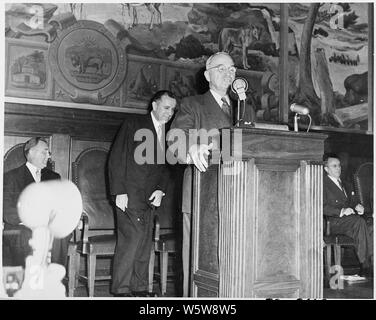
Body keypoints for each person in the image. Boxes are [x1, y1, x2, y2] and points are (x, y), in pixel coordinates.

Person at [167, 52, 236, 296]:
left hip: (238, 197)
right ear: (207, 75)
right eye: (221, 68)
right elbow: (174, 143)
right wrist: (191, 148)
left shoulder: (243, 108)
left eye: (232, 69)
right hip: (201, 196)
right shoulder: (192, 104)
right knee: (197, 265)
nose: (228, 73)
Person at [108, 90, 177, 297]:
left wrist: (160, 190)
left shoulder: (169, 133)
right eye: (166, 108)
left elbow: (167, 167)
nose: (170, 113)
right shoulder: (133, 124)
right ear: (154, 106)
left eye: (173, 110)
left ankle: (139, 288)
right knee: (132, 240)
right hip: (128, 194)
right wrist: (119, 191)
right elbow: (116, 158)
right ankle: (121, 290)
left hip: (149, 198)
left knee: (144, 242)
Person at [3, 137, 70, 267]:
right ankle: (30, 283)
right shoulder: (11, 177)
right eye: (44, 152)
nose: (48, 156)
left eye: (49, 153)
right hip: (20, 226)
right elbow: (7, 212)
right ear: (31, 152)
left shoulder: (54, 177)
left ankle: (54, 281)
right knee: (27, 235)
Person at [323, 153, 373, 275]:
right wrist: (341, 211)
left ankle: (370, 262)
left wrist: (358, 206)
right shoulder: (322, 184)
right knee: (359, 222)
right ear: (326, 169)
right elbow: (321, 206)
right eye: (334, 166)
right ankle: (367, 265)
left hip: (349, 221)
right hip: (333, 222)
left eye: (339, 165)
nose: (338, 168)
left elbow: (353, 201)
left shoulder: (346, 183)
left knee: (370, 225)